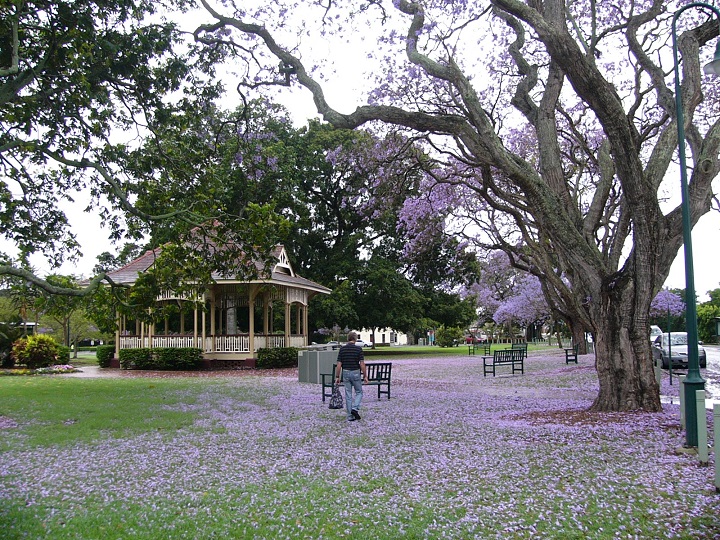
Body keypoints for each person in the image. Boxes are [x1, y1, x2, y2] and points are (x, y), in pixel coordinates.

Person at [335, 331, 369, 421]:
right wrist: (365, 376)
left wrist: (337, 376)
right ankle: (355, 408)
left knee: (348, 394)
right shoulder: (358, 349)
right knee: (359, 392)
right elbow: (362, 364)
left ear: (348, 338)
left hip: (345, 372)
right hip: (355, 372)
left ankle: (350, 416)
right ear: (355, 339)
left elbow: (339, 364)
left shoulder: (342, 349)